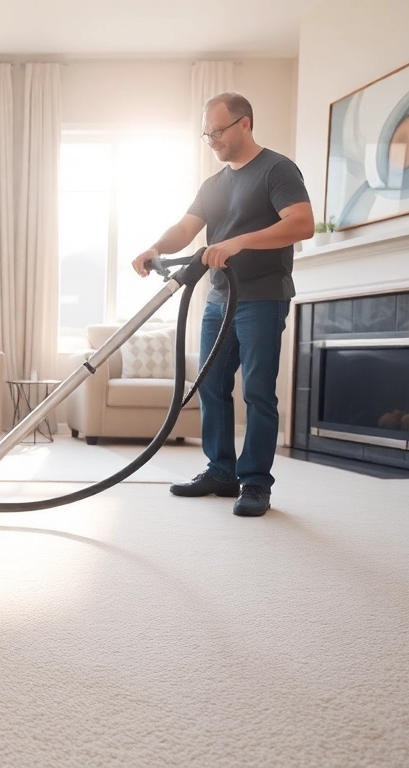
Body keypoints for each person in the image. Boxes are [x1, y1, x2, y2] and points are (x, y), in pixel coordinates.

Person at [130, 92, 313, 517]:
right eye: (206, 134)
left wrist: (239, 241)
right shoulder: (213, 184)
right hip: (218, 298)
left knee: (258, 391)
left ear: (245, 123)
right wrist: (155, 247)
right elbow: (185, 228)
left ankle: (255, 483)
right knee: (211, 386)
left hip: (263, 297)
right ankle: (220, 471)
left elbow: (301, 223)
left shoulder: (277, 169)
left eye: (218, 131)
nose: (212, 140)